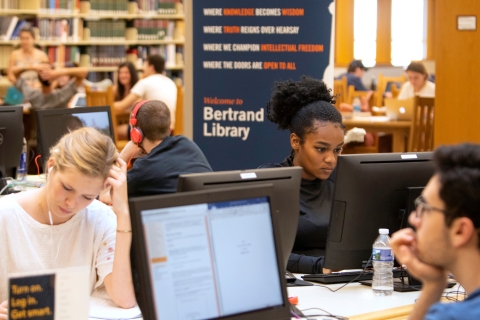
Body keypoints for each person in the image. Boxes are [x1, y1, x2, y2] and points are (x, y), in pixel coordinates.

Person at [0, 128, 136, 318]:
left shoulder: (100, 218)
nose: (72, 203)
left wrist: (123, 212)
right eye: (66, 187)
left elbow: (125, 298)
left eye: (87, 196)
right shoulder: (5, 216)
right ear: (51, 165)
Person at [259, 76, 345, 274]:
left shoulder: (344, 181)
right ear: (296, 142)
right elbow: (264, 251)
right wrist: (318, 266)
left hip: (341, 280)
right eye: (321, 149)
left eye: (337, 150)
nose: (331, 159)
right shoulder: (271, 182)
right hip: (295, 283)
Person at [391, 143, 480, 320]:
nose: (413, 219)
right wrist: (434, 283)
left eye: (425, 208)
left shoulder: (453, 317)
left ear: (460, 231)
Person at [110, 100, 212, 199]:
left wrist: (124, 156)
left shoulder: (144, 169)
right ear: (168, 127)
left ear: (136, 133)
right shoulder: (187, 144)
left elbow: (106, 195)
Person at [113, 55, 177, 135]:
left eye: (145, 65)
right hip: (170, 130)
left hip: (152, 132)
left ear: (151, 67)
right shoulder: (171, 83)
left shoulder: (145, 82)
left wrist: (105, 105)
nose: (143, 68)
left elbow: (121, 106)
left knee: (113, 130)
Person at [14, 62, 88, 110]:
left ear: (39, 79)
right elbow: (84, 72)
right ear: (53, 79)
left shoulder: (32, 95)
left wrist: (34, 68)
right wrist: (56, 73)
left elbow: (13, 73)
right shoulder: (62, 96)